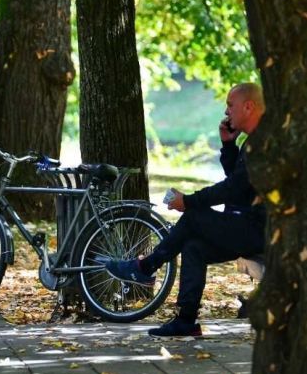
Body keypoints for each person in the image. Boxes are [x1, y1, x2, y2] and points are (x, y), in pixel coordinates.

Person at [105, 83, 267, 337]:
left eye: (230, 105)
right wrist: (228, 145)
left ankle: (146, 267)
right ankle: (185, 320)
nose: (227, 112)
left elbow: (233, 188)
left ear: (249, 106)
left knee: (194, 216)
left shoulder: (265, 142)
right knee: (194, 248)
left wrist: (189, 201)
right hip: (244, 225)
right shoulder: (253, 142)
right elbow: (239, 180)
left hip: (259, 230)